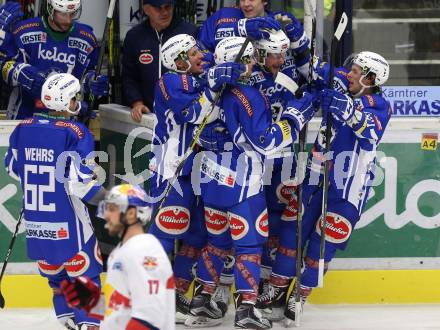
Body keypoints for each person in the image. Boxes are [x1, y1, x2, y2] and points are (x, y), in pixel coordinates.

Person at [186, 36, 316, 329]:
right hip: (242, 182)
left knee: (217, 243)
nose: (255, 62)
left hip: (210, 178)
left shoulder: (206, 88)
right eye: (249, 58)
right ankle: (246, 309)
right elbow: (266, 142)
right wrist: (296, 117)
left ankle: (201, 301)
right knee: (249, 246)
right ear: (240, 61)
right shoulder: (247, 95)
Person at [283, 51, 391, 324]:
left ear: (371, 78)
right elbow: (323, 143)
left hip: (347, 192)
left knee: (321, 247)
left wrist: (348, 111)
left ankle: (300, 297)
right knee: (294, 237)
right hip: (319, 182)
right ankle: (275, 291)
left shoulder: (379, 104)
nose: (350, 75)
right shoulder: (344, 97)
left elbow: (369, 136)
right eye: (351, 70)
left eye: (356, 72)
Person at [146, 33, 242, 323]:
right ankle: (150, 299)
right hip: (170, 169)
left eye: (199, 50)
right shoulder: (170, 82)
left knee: (199, 234)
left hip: (197, 170)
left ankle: (177, 293)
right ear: (178, 60)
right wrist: (214, 83)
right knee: (162, 237)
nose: (201, 55)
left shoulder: (197, 78)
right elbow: (193, 113)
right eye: (193, 52)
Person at [4, 73, 106, 330]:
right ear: (65, 100)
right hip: (70, 226)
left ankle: (68, 320)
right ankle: (89, 325)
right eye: (75, 98)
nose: (78, 102)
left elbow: (14, 169)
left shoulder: (21, 128)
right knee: (87, 280)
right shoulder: (76, 132)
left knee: (58, 279)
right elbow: (80, 181)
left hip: (38, 226)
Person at [60, 184, 175, 330]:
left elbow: (151, 319)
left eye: (112, 209)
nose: (106, 214)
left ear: (131, 214)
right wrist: (92, 302)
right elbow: (120, 311)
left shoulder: (145, 251)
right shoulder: (122, 251)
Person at [0, 0, 108, 120]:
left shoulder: (87, 38)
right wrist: (21, 74)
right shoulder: (23, 31)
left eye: (73, 13)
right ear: (50, 9)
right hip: (24, 117)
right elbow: (5, 67)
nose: (68, 20)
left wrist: (91, 81)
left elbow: (87, 72)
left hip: (67, 120)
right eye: (63, 14)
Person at [122, 0, 198, 122]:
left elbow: (199, 72)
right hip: (147, 115)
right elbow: (129, 76)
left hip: (183, 114)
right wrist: (137, 103)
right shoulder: (134, 36)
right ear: (146, 9)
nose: (164, 12)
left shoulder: (190, 32)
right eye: (158, 8)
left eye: (168, 7)